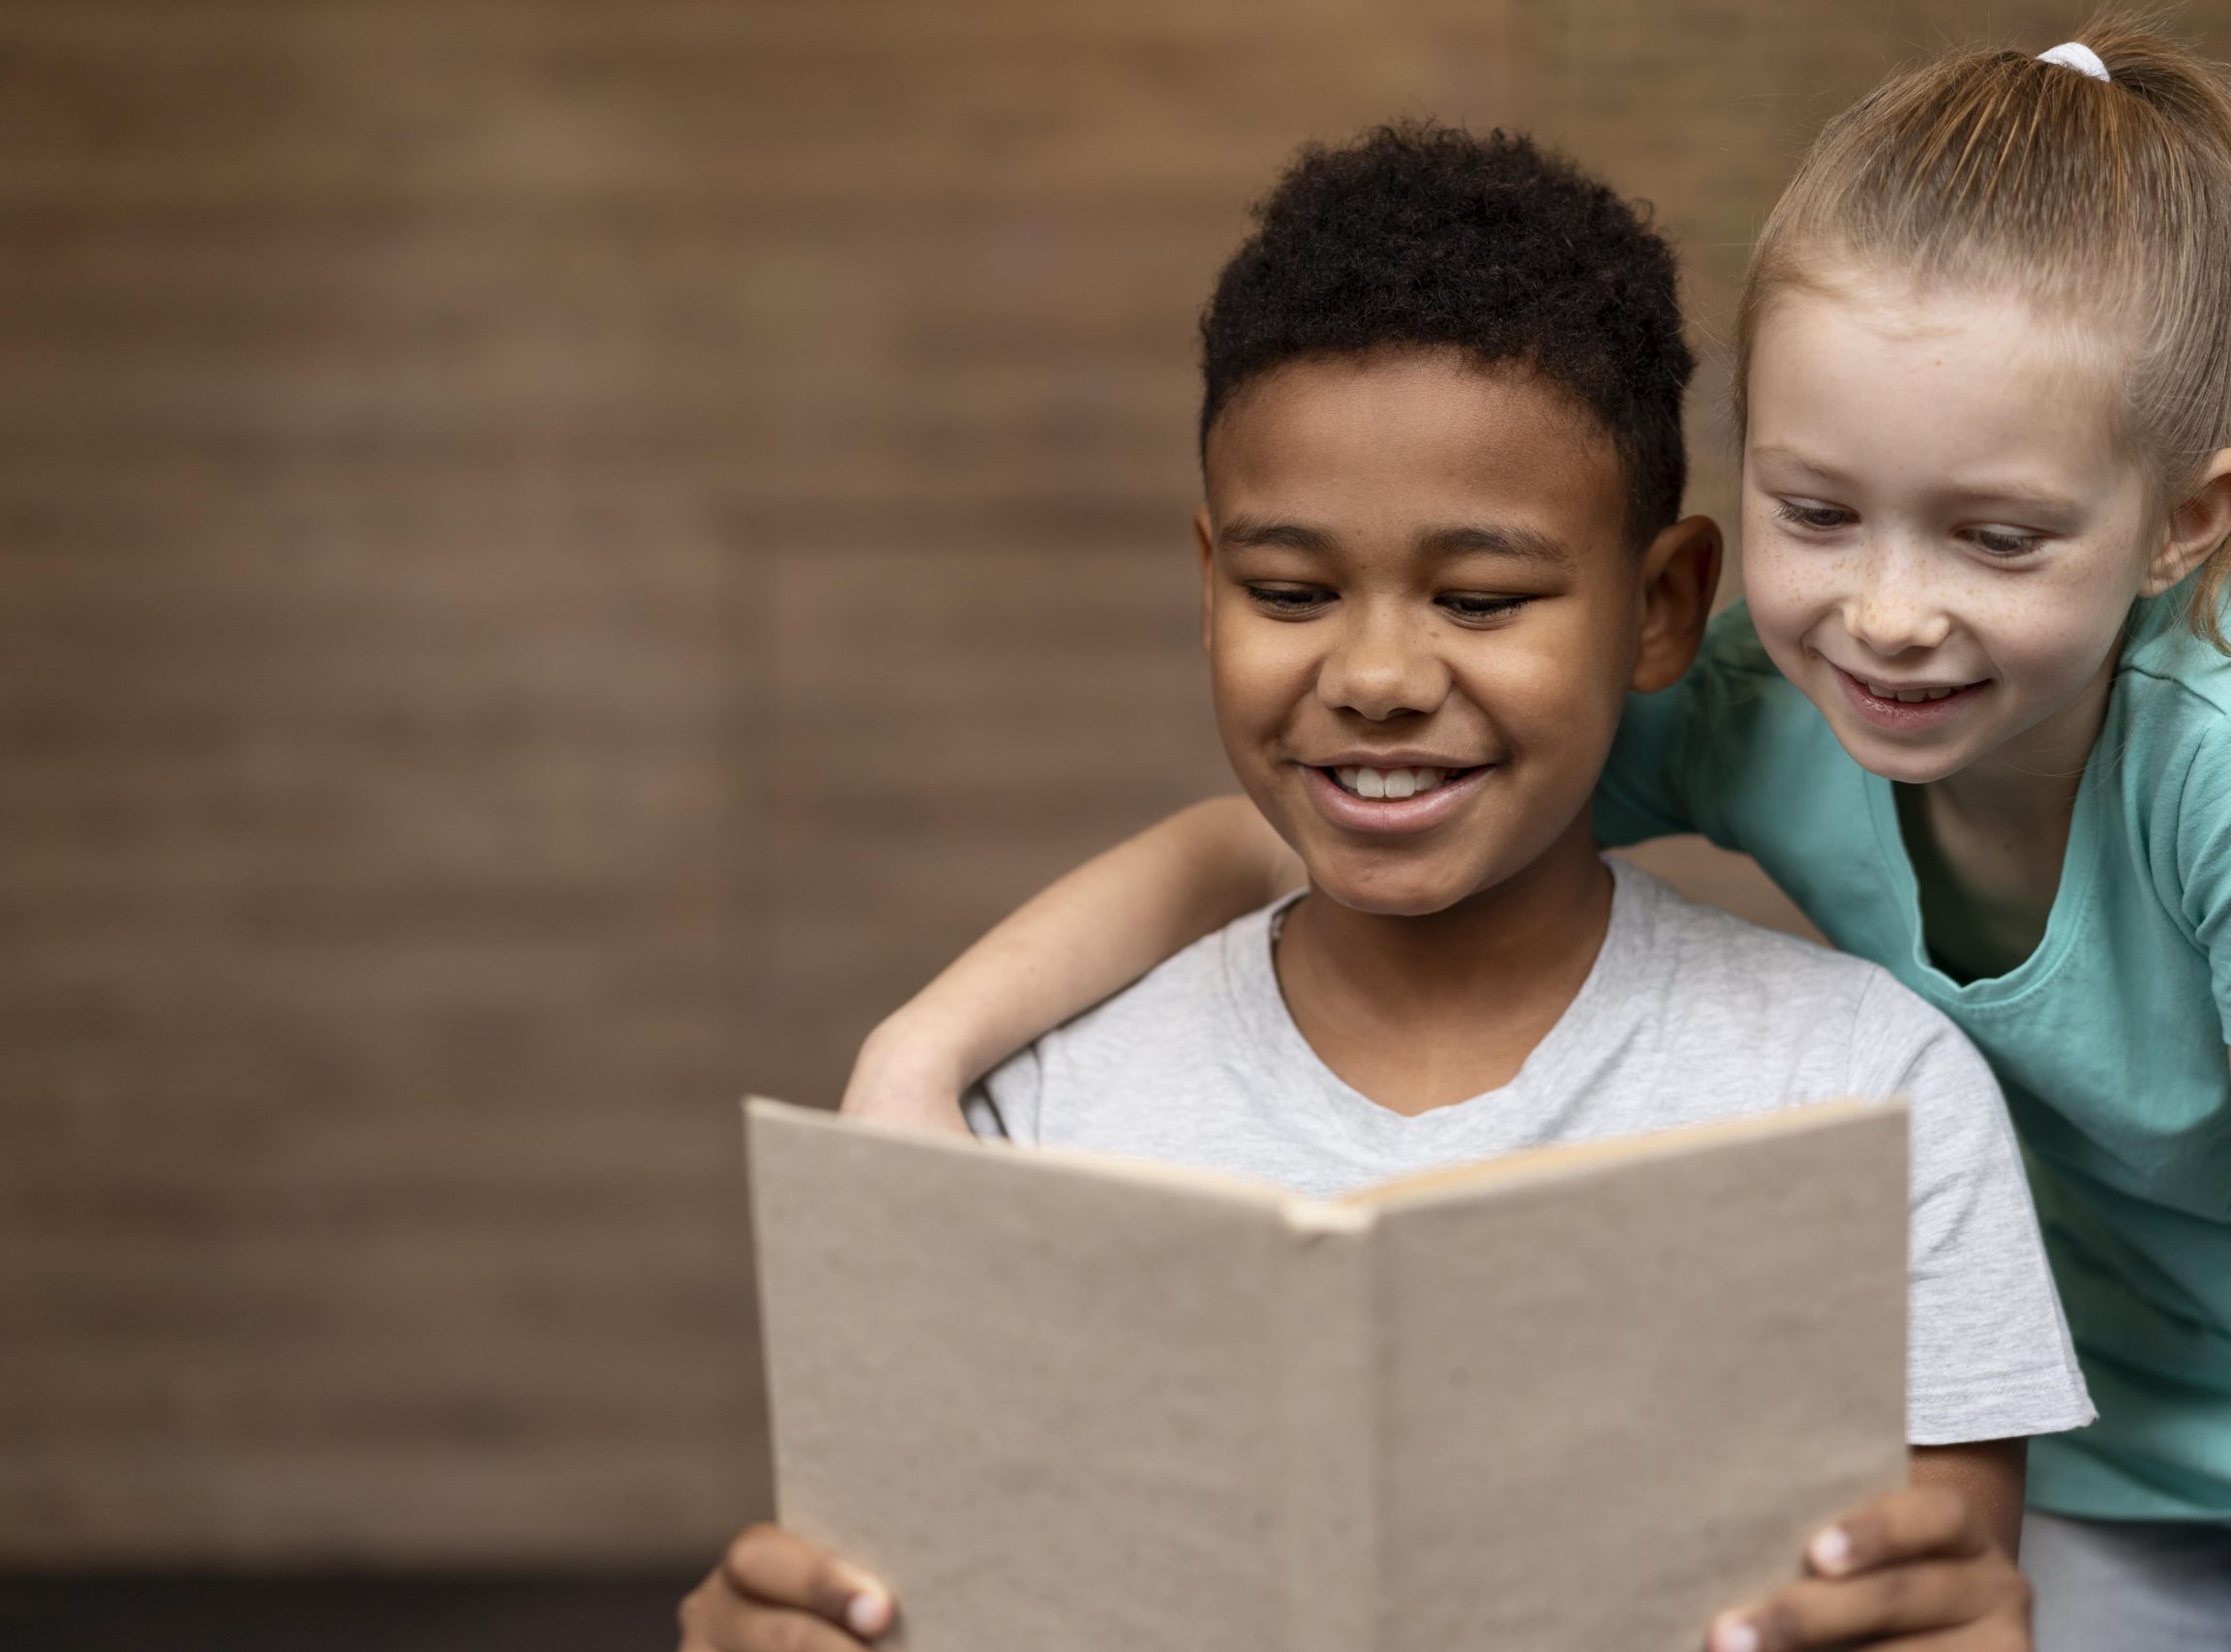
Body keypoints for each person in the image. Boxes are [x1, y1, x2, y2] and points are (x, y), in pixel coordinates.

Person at [841, 25, 2231, 1652]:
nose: (1888, 617)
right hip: (2117, 1425)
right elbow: (1258, 846)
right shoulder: (1763, 696)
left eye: (1995, 536)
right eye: (1818, 512)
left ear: (2187, 522)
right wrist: (917, 1061)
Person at [681, 125, 2096, 1652]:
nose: (1371, 678)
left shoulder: (1868, 1101)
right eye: (1288, 594)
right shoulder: (1030, 1122)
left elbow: (1929, 1588)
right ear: (1208, 580)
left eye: (1482, 600)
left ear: (1665, 605)